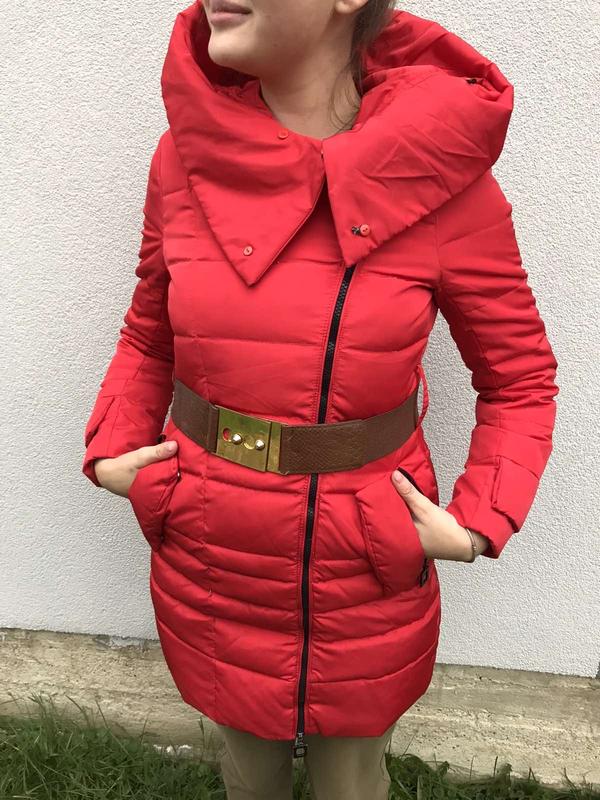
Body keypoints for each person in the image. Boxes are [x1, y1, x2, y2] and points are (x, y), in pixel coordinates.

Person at [81, 0, 559, 797]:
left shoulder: (443, 176)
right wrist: (112, 448)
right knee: (248, 776)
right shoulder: (184, 160)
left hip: (364, 559)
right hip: (213, 547)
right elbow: (148, 336)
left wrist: (479, 519)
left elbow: (520, 379)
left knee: (352, 783)